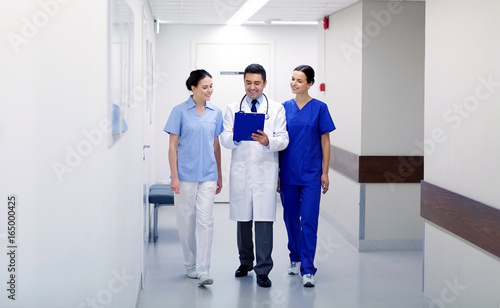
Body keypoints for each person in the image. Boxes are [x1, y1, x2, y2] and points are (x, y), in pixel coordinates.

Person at [220, 64, 289, 288]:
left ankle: (263, 269)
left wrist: (268, 141)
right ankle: (245, 262)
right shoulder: (232, 108)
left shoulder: (277, 109)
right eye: (248, 83)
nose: (252, 87)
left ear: (265, 83)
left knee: (263, 221)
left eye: (257, 83)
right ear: (244, 83)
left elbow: (284, 139)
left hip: (265, 169)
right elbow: (224, 138)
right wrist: (237, 138)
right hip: (242, 170)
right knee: (243, 220)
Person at [164, 69, 223, 286]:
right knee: (186, 221)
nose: (210, 90)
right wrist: (174, 176)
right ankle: (190, 263)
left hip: (208, 174)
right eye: (205, 87)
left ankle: (203, 269)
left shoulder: (216, 112)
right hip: (185, 175)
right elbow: (172, 146)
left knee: (206, 221)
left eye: (211, 86)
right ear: (193, 88)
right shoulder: (179, 111)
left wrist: (219, 175)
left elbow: (216, 145)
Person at [279, 65, 336, 287]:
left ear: (310, 84)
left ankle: (308, 268)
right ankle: (294, 257)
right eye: (292, 79)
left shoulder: (320, 108)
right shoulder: (283, 108)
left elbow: (325, 141)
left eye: (299, 81)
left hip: (312, 174)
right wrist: (277, 173)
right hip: (288, 173)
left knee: (309, 221)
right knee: (290, 219)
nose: (294, 83)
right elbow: (278, 142)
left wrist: (325, 171)